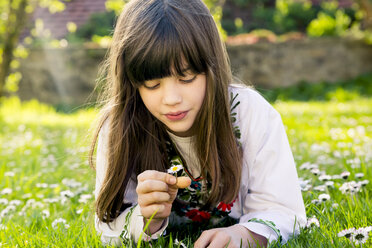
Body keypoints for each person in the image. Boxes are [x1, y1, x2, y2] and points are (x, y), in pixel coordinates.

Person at [89, 0, 307, 247]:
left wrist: (246, 235)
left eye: (187, 78)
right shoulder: (120, 127)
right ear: (132, 81)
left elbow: (283, 210)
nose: (171, 99)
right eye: (152, 84)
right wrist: (148, 218)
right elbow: (108, 225)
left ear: (212, 67)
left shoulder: (251, 115)